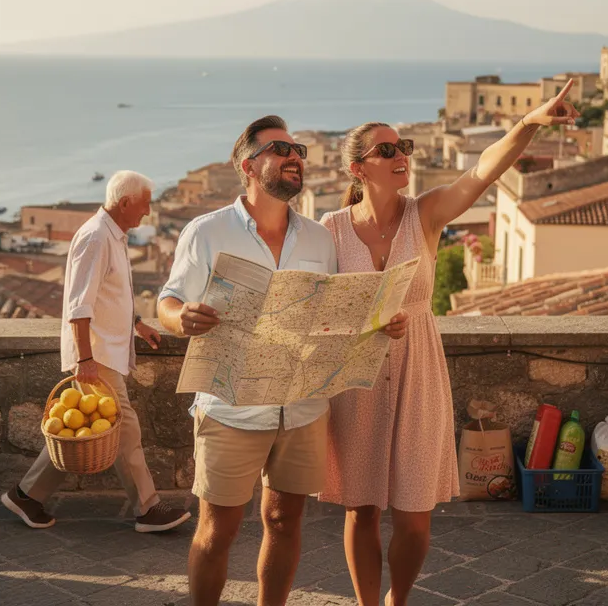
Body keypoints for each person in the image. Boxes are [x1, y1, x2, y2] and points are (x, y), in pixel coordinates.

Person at [319, 82, 579, 606]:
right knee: (361, 508)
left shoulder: (426, 214)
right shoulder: (330, 230)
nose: (401, 157)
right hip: (357, 376)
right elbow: (318, 310)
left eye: (404, 148)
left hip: (418, 369)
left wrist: (529, 123)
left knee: (414, 519)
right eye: (387, 150)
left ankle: (398, 598)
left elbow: (483, 169)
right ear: (358, 169)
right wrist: (362, 327)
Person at [158, 115, 407, 606]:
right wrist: (180, 317)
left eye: (299, 150)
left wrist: (380, 324)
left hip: (303, 408)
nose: (295, 156)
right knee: (218, 530)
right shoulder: (206, 231)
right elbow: (166, 300)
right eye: (281, 149)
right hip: (231, 407)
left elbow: (336, 316)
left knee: (283, 520)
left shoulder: (319, 238)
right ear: (249, 165)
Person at [1, 170, 191, 534]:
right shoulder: (94, 237)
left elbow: (110, 294)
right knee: (125, 428)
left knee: (86, 434)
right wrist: (85, 360)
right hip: (97, 355)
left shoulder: (112, 235)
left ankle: (26, 494)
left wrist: (137, 323)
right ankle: (148, 509)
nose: (148, 213)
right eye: (145, 204)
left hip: (105, 350)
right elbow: (79, 305)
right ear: (124, 203)